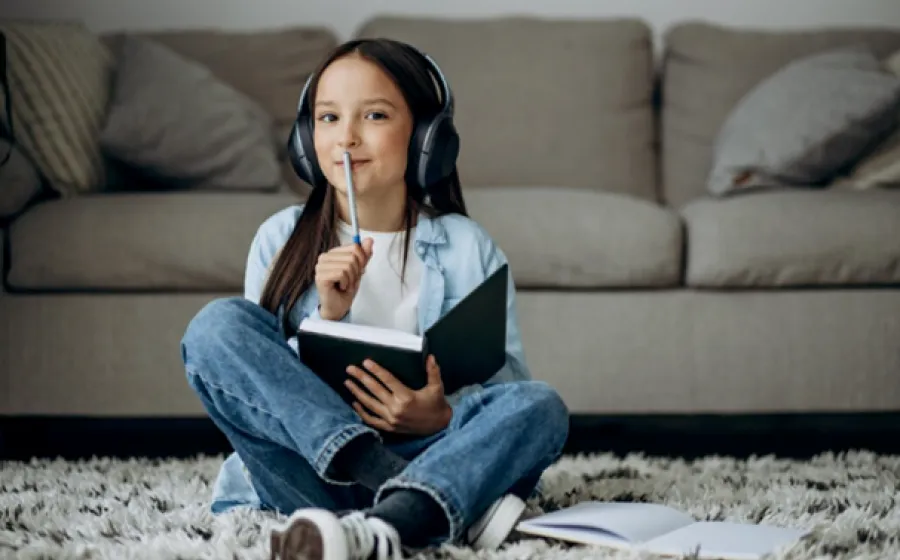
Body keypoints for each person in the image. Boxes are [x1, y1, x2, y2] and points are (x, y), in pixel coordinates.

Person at [179, 37, 569, 560]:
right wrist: (328, 316)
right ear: (306, 138)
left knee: (542, 405)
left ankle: (386, 524)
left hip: (435, 452)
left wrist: (442, 418)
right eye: (329, 118)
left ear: (427, 138)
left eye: (375, 116)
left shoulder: (468, 247)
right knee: (215, 325)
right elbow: (263, 394)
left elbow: (507, 390)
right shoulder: (279, 238)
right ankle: (405, 490)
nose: (347, 137)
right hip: (311, 472)